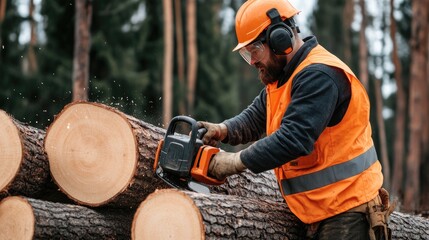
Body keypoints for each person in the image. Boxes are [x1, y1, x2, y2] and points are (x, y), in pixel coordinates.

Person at [197, 0, 393, 239]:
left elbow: (293, 139)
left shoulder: (319, 75)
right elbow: (256, 118)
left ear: (280, 39)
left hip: (349, 210)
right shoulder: (284, 78)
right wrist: (222, 130)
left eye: (255, 51)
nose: (253, 62)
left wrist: (234, 162)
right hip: (318, 209)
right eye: (247, 55)